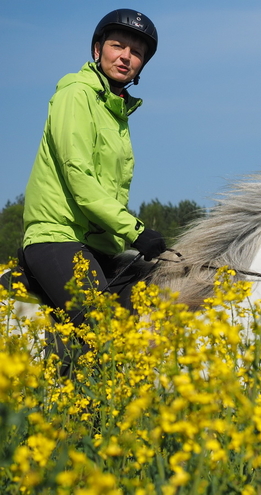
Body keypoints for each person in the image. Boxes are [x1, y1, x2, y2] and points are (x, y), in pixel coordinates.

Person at [20, 9, 167, 374]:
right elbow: (79, 179)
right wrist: (137, 232)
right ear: (98, 49)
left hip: (100, 248)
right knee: (109, 338)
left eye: (136, 53)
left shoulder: (115, 111)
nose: (126, 57)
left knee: (161, 308)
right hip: (58, 238)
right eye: (118, 46)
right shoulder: (76, 94)